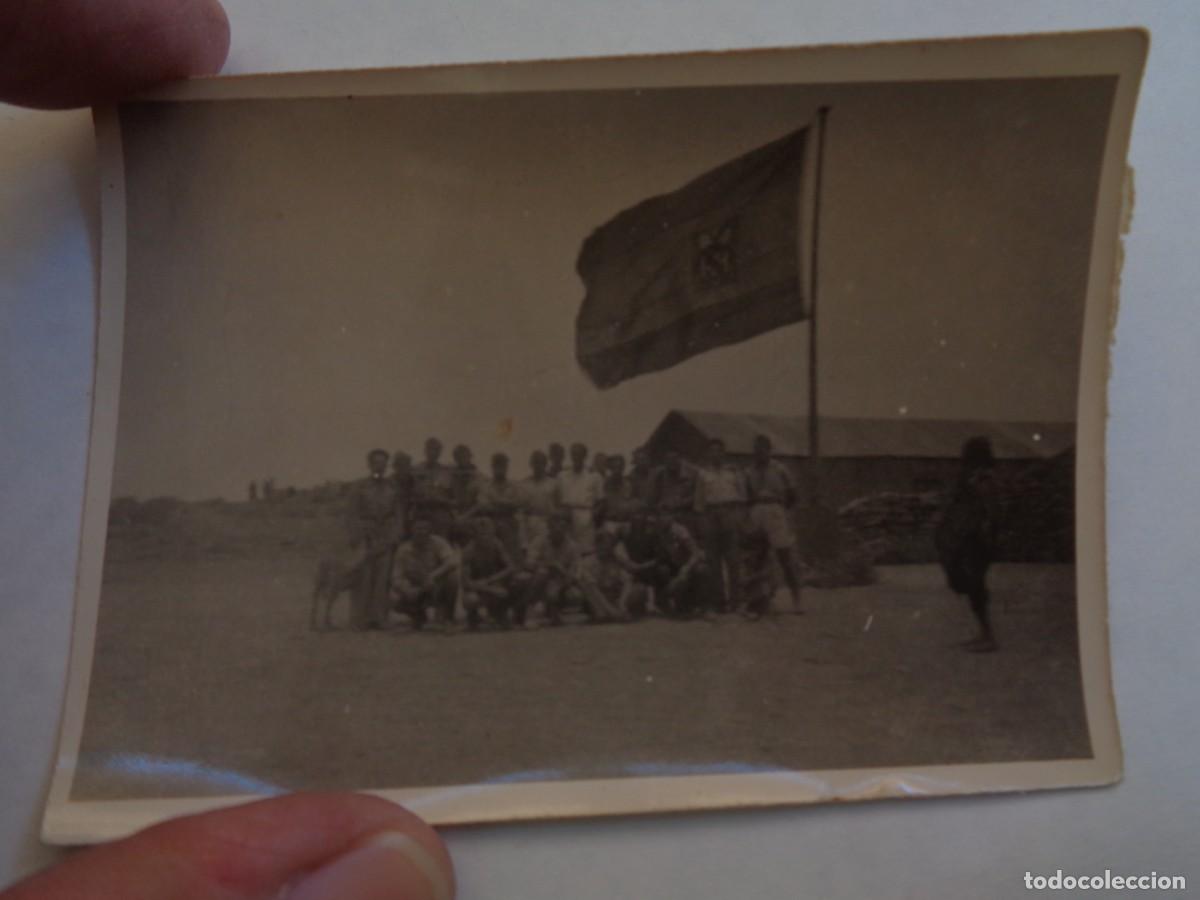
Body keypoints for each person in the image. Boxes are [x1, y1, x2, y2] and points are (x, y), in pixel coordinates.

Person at [0, 5, 455, 899]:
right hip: (371, 537)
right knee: (360, 579)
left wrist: (388, 523)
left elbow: (396, 510)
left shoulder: (405, 486)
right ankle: (356, 622)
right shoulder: (370, 486)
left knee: (383, 581)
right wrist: (368, 521)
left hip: (391, 537)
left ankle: (378, 621)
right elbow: (363, 509)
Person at [935, 436, 1001, 652]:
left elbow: (988, 507)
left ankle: (987, 635)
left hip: (976, 537)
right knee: (967, 583)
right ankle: (984, 633)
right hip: (967, 535)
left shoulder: (984, 478)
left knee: (974, 585)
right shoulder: (971, 477)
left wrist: (985, 529)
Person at [744, 434, 804, 614]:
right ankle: (759, 600)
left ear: (769, 450)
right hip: (756, 511)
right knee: (757, 557)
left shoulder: (780, 469)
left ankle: (797, 601)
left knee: (785, 557)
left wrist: (782, 511)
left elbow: (793, 495)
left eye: (763, 450)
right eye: (756, 450)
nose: (759, 453)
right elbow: (747, 495)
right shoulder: (749, 471)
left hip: (775, 509)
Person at [345, 449, 402, 630]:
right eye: (376, 463)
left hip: (385, 536)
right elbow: (351, 514)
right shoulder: (359, 487)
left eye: (384, 463)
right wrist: (355, 536)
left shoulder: (393, 487)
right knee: (363, 576)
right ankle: (359, 618)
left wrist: (395, 535)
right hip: (365, 536)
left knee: (382, 577)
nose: (381, 466)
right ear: (369, 465)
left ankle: (380, 618)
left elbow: (398, 514)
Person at [694, 438, 747, 614]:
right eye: (712, 451)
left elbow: (742, 497)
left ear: (723, 453)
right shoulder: (702, 474)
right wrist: (702, 523)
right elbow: (699, 502)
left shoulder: (733, 472)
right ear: (708, 454)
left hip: (730, 513)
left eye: (718, 450)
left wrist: (739, 518)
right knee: (713, 561)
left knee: (733, 560)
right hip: (710, 515)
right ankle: (719, 603)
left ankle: (736, 602)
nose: (715, 454)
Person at [392, 516, 459, 630]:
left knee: (453, 578)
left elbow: (452, 562)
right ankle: (418, 616)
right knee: (394, 601)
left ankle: (447, 618)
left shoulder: (439, 542)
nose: (421, 532)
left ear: (430, 530)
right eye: (417, 528)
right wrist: (406, 589)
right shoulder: (403, 550)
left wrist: (432, 576)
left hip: (435, 586)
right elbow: (396, 577)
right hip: (416, 588)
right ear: (411, 530)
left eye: (425, 528)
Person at [459, 517, 521, 630]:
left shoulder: (497, 544)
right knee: (471, 600)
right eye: (481, 533)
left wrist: (491, 580)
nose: (485, 536)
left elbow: (511, 567)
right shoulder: (468, 551)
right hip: (477, 588)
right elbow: (465, 582)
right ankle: (472, 617)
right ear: (475, 534)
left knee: (517, 581)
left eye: (488, 532)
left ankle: (500, 614)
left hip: (494, 582)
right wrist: (490, 589)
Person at [523, 512, 584, 626]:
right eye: (553, 526)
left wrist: (560, 571)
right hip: (539, 579)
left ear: (566, 528)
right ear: (548, 527)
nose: (557, 529)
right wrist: (547, 564)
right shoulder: (539, 541)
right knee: (541, 573)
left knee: (574, 595)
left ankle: (554, 614)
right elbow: (528, 563)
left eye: (561, 526)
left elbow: (576, 572)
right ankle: (529, 611)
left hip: (561, 580)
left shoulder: (573, 546)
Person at [577, 530, 638, 621]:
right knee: (586, 583)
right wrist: (612, 611)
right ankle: (609, 613)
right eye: (603, 544)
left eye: (610, 545)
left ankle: (617, 610)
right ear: (597, 545)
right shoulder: (587, 562)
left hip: (612, 596)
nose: (607, 548)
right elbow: (592, 588)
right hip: (595, 599)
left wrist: (622, 603)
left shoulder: (614, 560)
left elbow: (628, 579)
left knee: (638, 589)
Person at [475, 452, 524, 564]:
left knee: (512, 553)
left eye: (503, 465)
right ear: (492, 467)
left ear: (507, 467)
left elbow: (519, 503)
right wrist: (507, 504)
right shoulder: (486, 485)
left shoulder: (514, 485)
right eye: (497, 465)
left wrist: (496, 501)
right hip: (491, 522)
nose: (500, 468)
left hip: (509, 522)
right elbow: (483, 506)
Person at [555, 441, 602, 552]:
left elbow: (601, 502)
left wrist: (592, 515)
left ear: (585, 456)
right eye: (573, 454)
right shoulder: (562, 476)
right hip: (565, 516)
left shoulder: (594, 476)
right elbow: (556, 498)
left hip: (585, 515)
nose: (576, 457)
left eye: (579, 454)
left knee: (586, 550)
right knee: (567, 550)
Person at [411, 436, 454, 536]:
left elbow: (452, 495)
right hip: (421, 512)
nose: (433, 452)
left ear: (440, 452)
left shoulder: (446, 471)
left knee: (441, 541)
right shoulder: (416, 470)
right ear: (425, 451)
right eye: (430, 449)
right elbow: (410, 491)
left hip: (440, 512)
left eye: (436, 450)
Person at [519, 449, 559, 549]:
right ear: (531, 464)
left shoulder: (554, 483)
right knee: (528, 552)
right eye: (535, 462)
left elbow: (558, 505)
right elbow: (521, 508)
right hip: (528, 523)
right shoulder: (524, 484)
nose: (537, 466)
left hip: (547, 523)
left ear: (545, 464)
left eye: (540, 462)